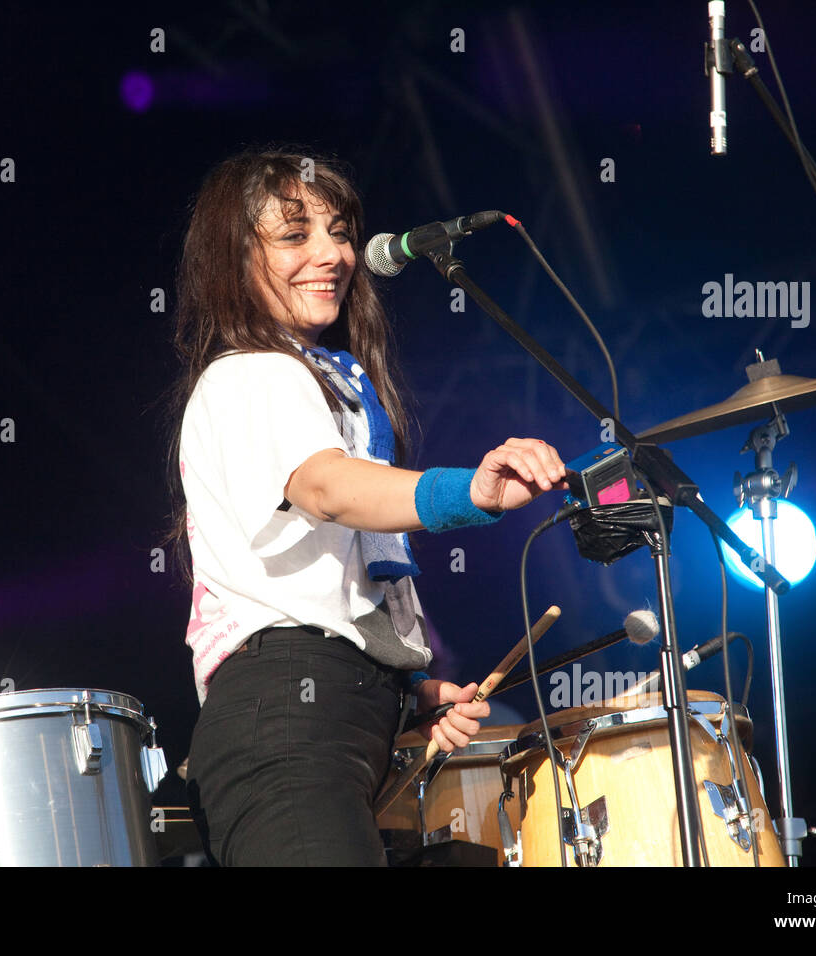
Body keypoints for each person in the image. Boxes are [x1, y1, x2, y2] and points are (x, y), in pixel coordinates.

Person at [164, 147, 567, 866]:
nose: (334, 254)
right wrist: (466, 493)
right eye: (295, 236)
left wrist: (409, 692)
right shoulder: (254, 374)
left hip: (331, 720)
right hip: (284, 717)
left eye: (341, 231)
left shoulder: (330, 382)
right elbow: (328, 487)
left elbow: (325, 582)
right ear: (233, 260)